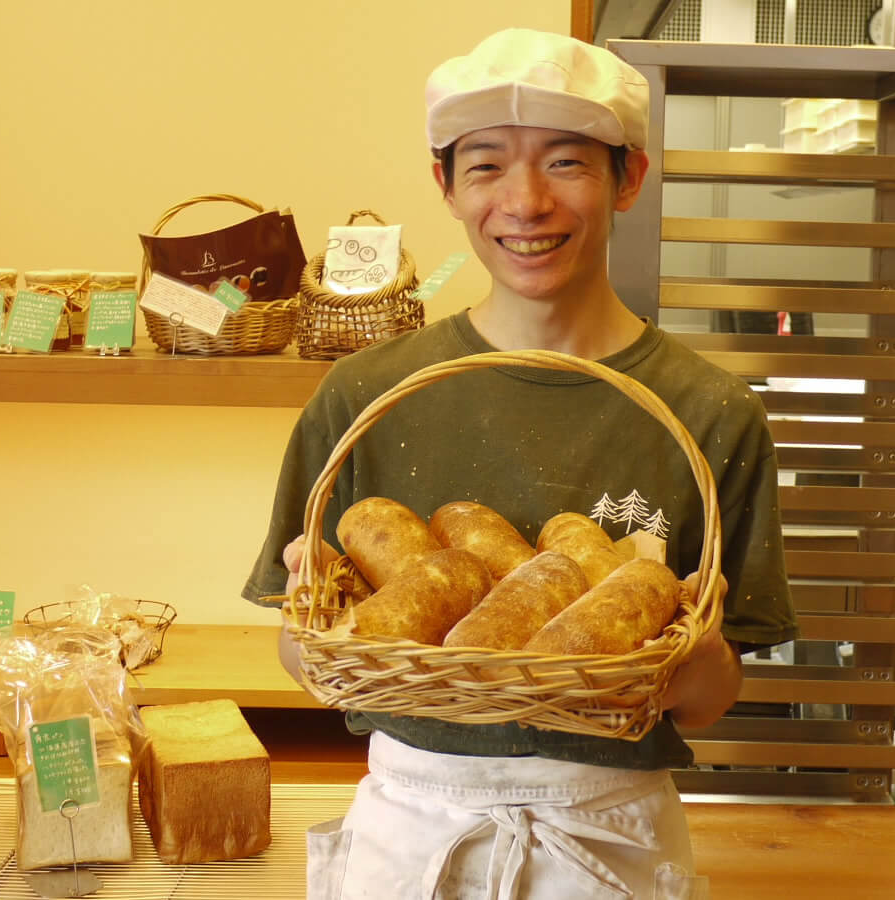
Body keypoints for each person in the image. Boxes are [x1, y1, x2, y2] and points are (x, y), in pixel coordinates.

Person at [243, 28, 797, 899]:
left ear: (629, 179)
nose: (526, 202)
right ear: (446, 187)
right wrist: (311, 618)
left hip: (605, 831)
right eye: (488, 166)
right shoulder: (364, 395)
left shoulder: (710, 413)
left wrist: (685, 650)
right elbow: (302, 656)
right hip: (411, 830)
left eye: (568, 163)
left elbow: (713, 698)